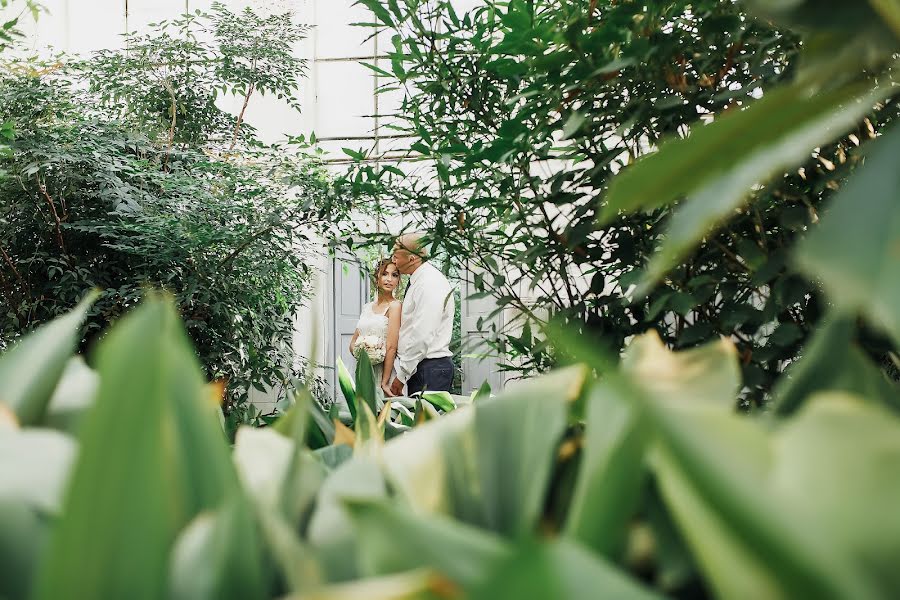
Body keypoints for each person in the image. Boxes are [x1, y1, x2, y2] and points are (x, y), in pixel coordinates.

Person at [387, 232, 455, 397]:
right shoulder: (419, 280)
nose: (393, 261)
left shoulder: (429, 283)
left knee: (425, 422)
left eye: (396, 256)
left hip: (429, 370)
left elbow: (422, 335)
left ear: (412, 258)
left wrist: (402, 375)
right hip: (420, 367)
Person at [348, 258, 402, 406]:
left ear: (398, 280)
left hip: (383, 373)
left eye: (394, 275)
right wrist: (363, 348)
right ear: (376, 277)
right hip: (363, 372)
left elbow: (391, 347)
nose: (389, 279)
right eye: (385, 274)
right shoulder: (367, 307)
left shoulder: (395, 306)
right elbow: (353, 343)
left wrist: (384, 383)